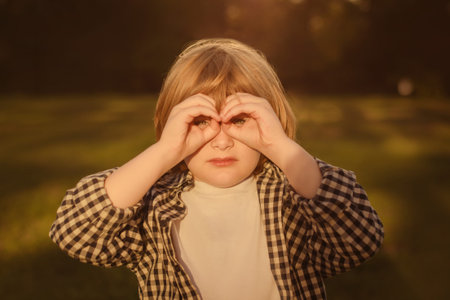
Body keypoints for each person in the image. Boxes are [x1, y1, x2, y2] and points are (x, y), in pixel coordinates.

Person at [49, 38, 384, 300]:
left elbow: (359, 239)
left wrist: (280, 147)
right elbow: (75, 231)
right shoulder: (155, 205)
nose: (221, 141)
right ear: (170, 127)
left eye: (240, 121)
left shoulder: (291, 198)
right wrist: (164, 152)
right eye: (199, 122)